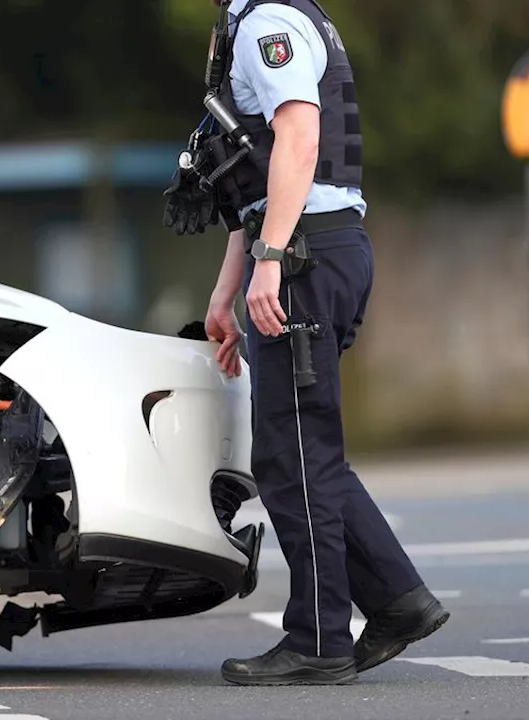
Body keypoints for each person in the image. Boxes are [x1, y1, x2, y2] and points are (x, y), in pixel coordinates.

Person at [196, 0, 450, 685]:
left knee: (293, 455)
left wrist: (272, 257)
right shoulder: (271, 18)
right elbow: (255, 176)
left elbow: (300, 139)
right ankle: (398, 601)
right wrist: (231, 286)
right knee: (307, 448)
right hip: (314, 246)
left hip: (305, 251)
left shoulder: (266, 25)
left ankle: (318, 640)